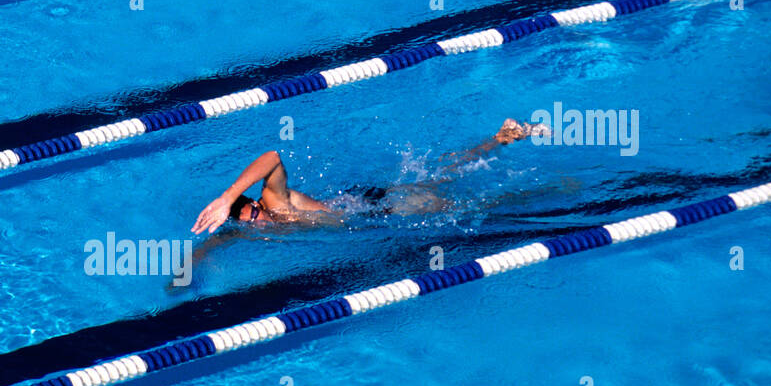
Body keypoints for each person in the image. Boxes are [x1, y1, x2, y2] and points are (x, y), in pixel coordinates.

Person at [190, 118, 548, 235]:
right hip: (366, 204)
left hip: (377, 208)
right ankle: (499, 139)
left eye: (253, 214)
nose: (258, 222)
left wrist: (225, 198)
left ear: (254, 203)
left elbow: (272, 156)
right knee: (442, 177)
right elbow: (221, 241)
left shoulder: (273, 202)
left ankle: (549, 193)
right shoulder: (259, 228)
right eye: (249, 223)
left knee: (466, 207)